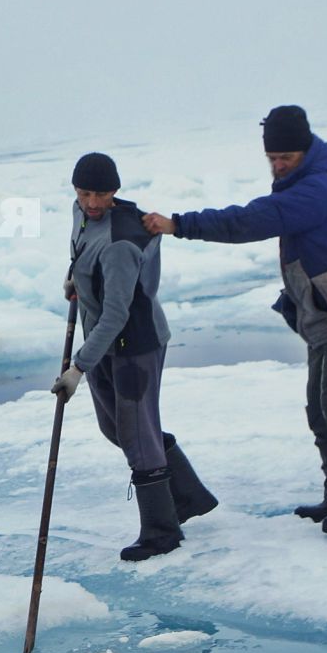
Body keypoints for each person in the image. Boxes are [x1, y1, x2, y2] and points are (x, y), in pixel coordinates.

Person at [143, 106, 327, 535]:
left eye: (287, 158)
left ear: (306, 149)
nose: (279, 166)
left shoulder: (317, 189)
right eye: (273, 159)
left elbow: (250, 220)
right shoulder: (305, 182)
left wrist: (179, 224)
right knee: (322, 409)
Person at [53, 152, 218, 561]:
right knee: (119, 431)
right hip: (104, 340)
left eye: (102, 193)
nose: (93, 201)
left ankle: (162, 531)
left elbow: (117, 314)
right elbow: (86, 254)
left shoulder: (120, 242)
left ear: (116, 191)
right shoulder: (83, 215)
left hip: (133, 345)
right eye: (86, 192)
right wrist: (81, 278)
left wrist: (78, 368)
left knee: (138, 436)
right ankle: (188, 495)